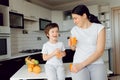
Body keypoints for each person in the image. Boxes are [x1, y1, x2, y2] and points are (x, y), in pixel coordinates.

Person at [68, 4, 108, 80]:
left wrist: (82, 65)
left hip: (96, 63)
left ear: (84, 15)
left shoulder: (99, 28)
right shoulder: (74, 30)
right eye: (73, 19)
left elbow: (99, 51)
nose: (74, 21)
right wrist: (72, 45)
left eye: (76, 18)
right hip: (78, 62)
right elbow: (73, 48)